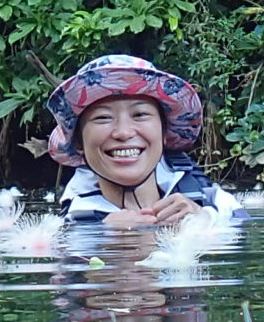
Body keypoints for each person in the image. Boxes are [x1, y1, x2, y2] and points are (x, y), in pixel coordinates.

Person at [44, 53, 240, 226]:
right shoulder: (67, 229)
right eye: (103, 118)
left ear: (165, 132)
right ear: (79, 143)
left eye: (140, 115)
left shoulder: (212, 201)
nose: (123, 132)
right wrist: (101, 236)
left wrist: (204, 219)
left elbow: (246, 230)